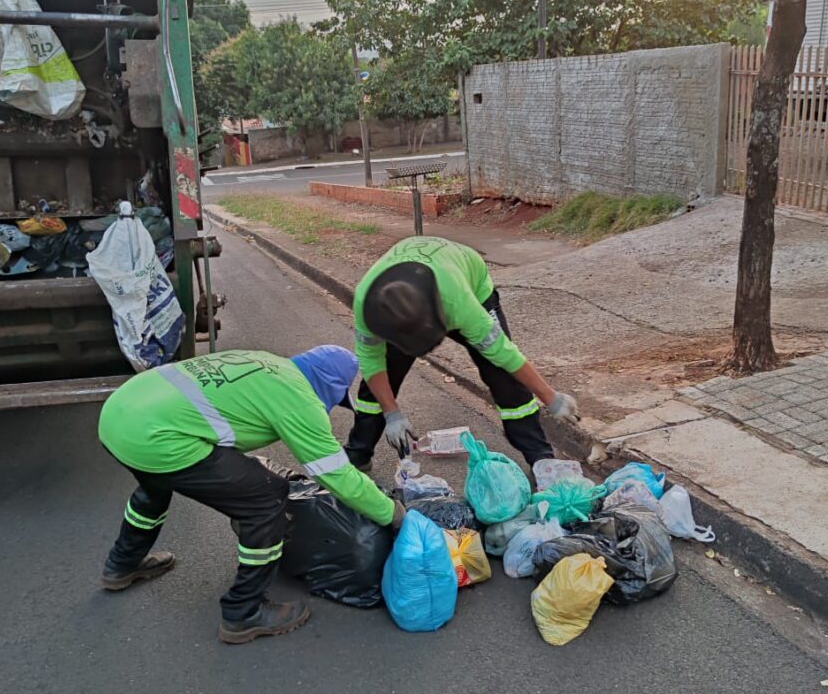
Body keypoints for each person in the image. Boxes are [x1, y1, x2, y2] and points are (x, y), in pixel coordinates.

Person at [97, 345, 404, 645]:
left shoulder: (268, 362)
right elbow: (336, 475)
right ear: (330, 385)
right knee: (267, 499)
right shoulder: (298, 398)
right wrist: (392, 513)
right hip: (155, 436)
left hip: (119, 415)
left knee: (156, 482)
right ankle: (244, 611)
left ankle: (122, 564)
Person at [344, 235, 579, 470]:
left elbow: (505, 354)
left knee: (503, 377)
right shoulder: (370, 308)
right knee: (381, 378)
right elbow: (372, 363)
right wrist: (391, 413)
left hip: (470, 285)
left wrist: (551, 398)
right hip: (408, 298)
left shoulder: (459, 304)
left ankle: (540, 458)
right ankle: (358, 452)